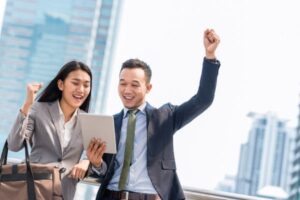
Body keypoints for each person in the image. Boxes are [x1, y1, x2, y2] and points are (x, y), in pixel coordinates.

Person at [87, 29, 221, 200]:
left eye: (135, 85)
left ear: (148, 88)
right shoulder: (110, 124)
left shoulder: (165, 117)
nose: (127, 90)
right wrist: (97, 163)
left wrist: (210, 56)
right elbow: (103, 172)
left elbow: (203, 100)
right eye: (123, 83)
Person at [7, 60, 93, 200]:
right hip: (31, 190)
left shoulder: (89, 121)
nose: (81, 90)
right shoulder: (38, 109)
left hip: (64, 194)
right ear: (61, 84)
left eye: (86, 85)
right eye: (75, 83)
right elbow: (14, 144)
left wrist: (87, 162)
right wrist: (28, 104)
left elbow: (101, 167)